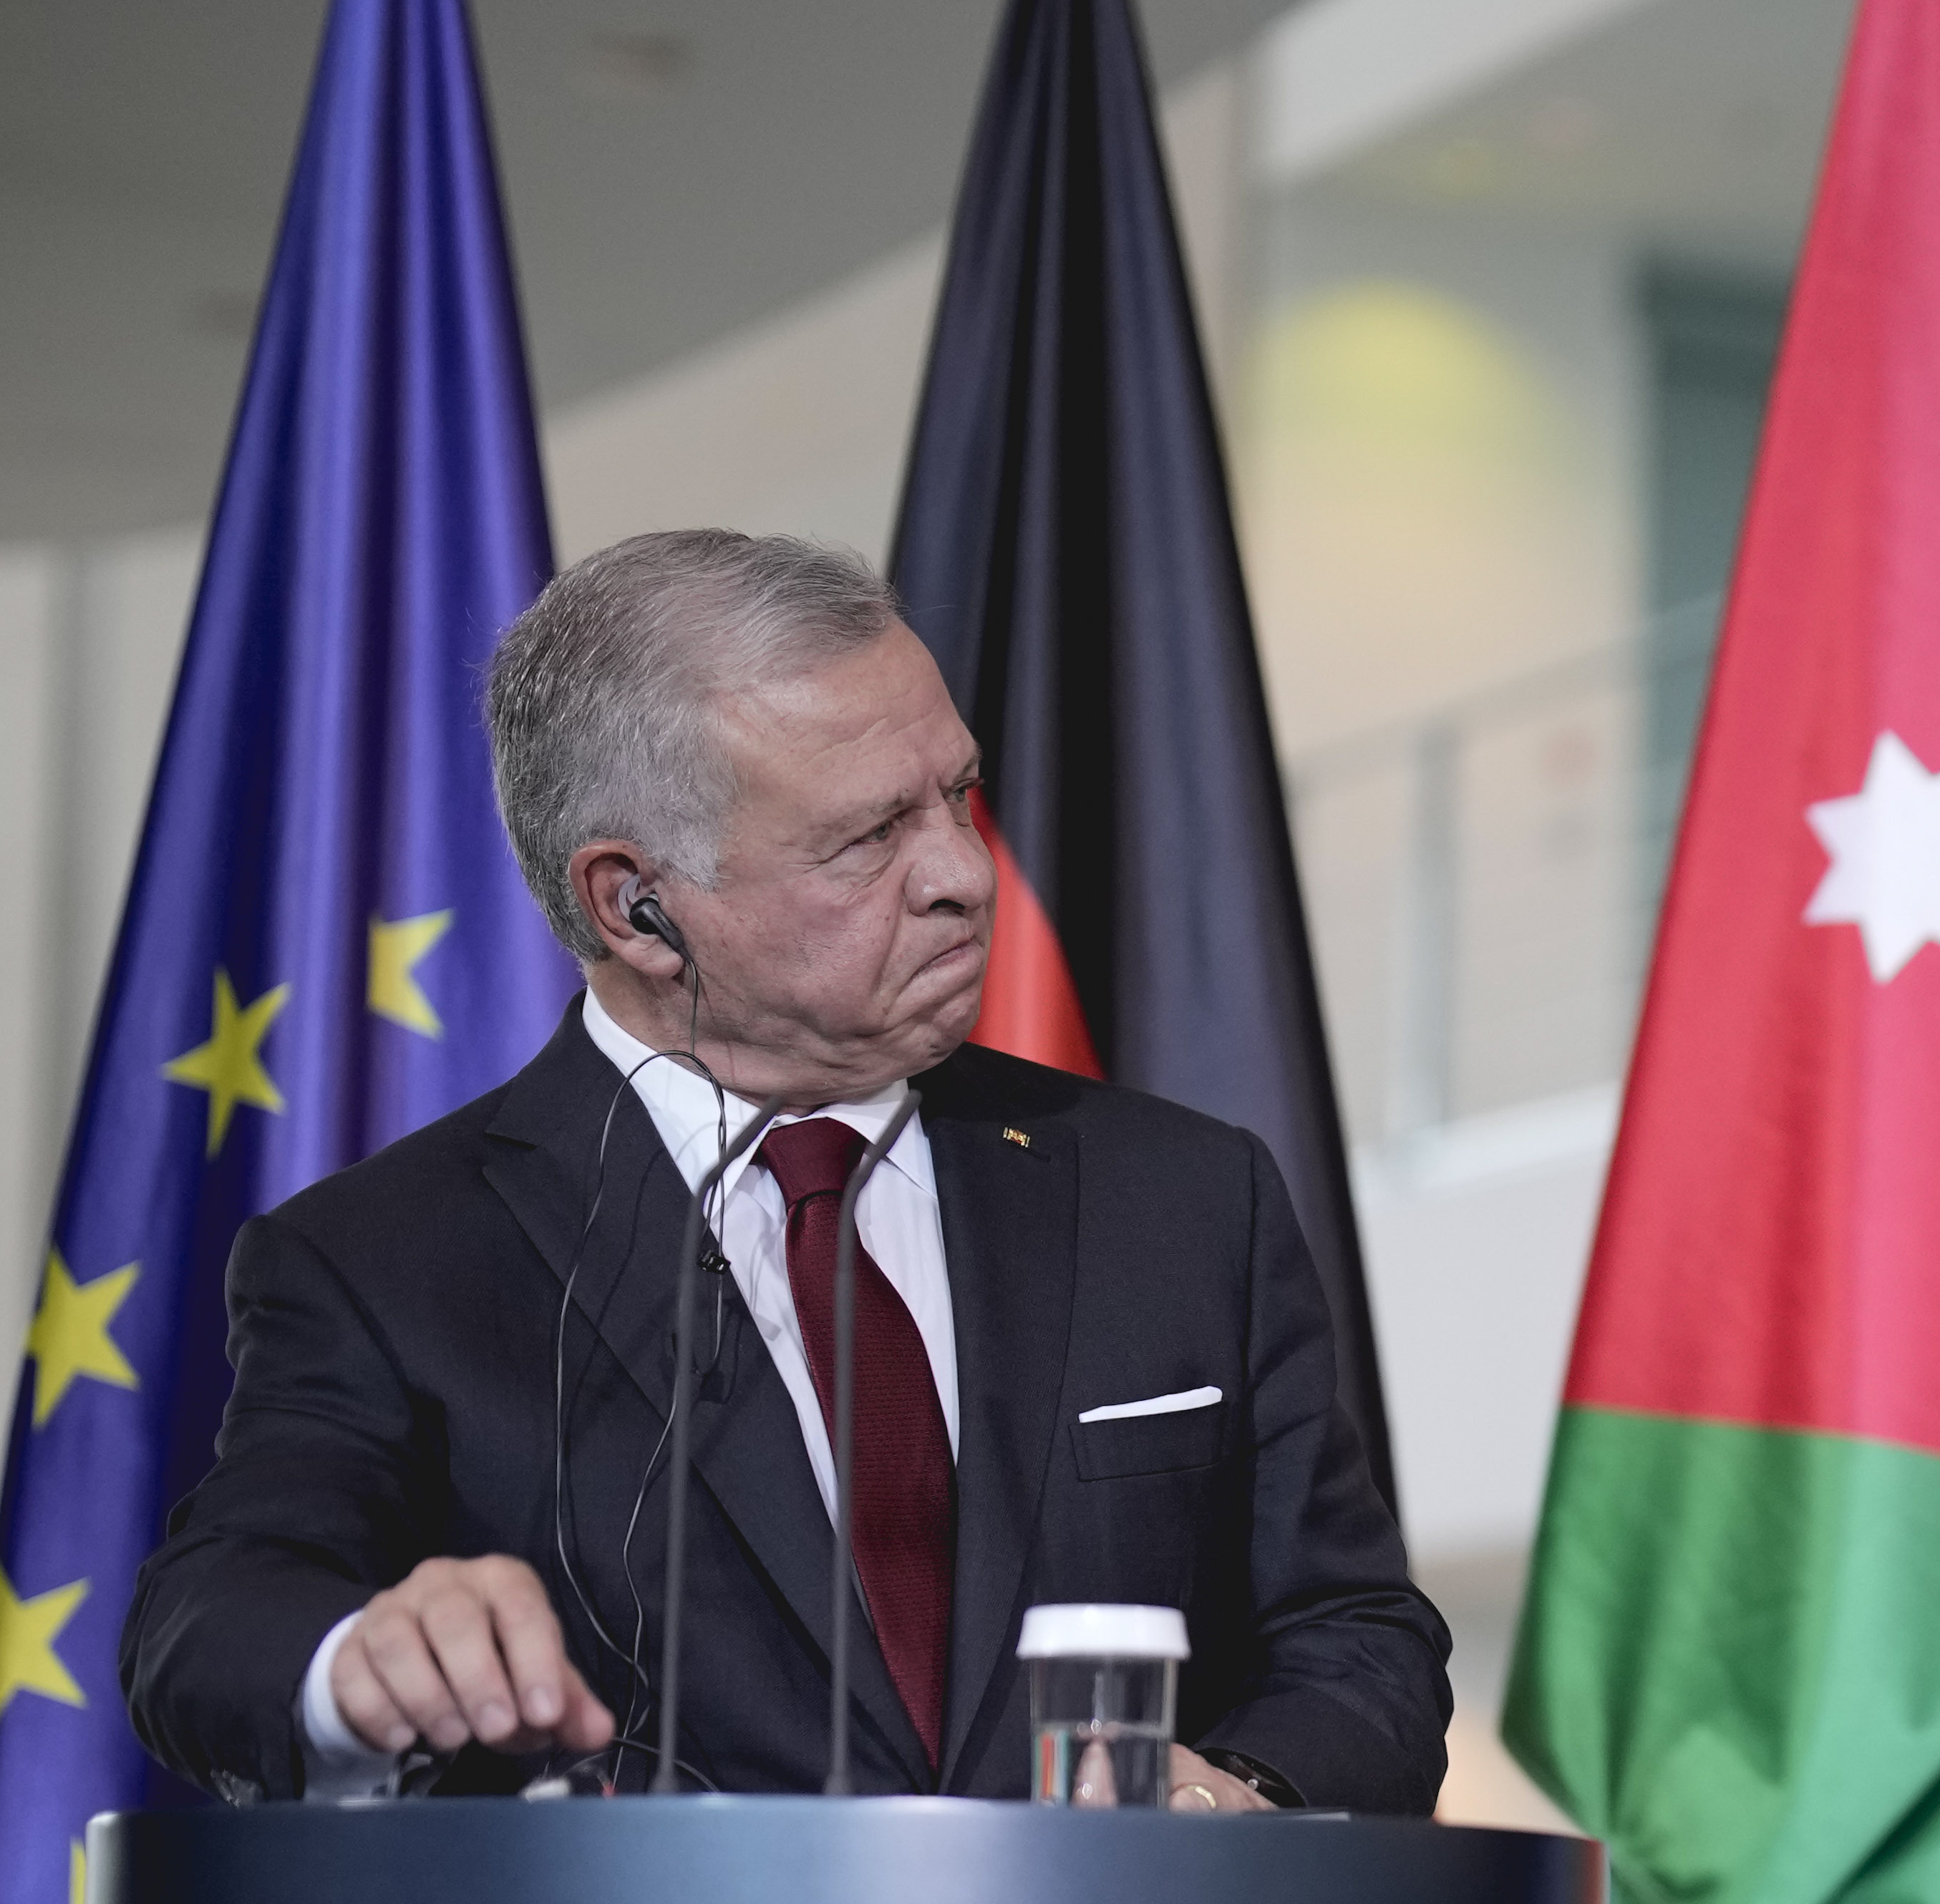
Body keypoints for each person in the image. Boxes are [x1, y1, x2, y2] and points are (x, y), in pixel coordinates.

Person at [125, 531, 1448, 1815]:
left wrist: (1238, 1795)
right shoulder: (386, 1261)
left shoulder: (1180, 1193)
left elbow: (1359, 1641)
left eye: (960, 793)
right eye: (869, 838)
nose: (963, 874)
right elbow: (210, 1625)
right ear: (633, 906)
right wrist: (363, 1660)